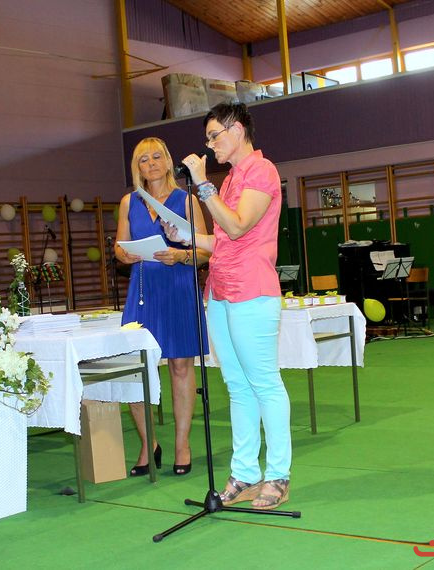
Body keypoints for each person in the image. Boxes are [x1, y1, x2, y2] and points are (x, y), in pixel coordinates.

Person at [177, 102, 291, 510]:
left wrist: (202, 185)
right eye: (208, 138)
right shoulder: (228, 181)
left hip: (252, 291)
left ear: (238, 130)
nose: (210, 145)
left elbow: (239, 224)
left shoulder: (262, 171)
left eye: (215, 136)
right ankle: (245, 473)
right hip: (221, 293)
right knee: (237, 386)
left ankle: (278, 475)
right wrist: (187, 236)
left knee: (264, 383)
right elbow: (224, 239)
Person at [114, 137, 209, 477]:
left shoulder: (187, 200)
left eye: (157, 157)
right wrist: (125, 254)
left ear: (168, 162)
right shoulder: (129, 201)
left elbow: (205, 251)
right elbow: (119, 247)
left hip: (178, 287)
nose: (151, 163)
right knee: (134, 367)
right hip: (142, 290)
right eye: (144, 159)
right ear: (136, 167)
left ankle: (182, 444)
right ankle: (148, 442)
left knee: (180, 367)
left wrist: (180, 255)